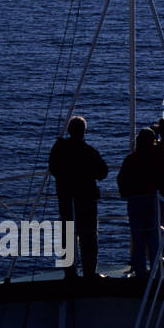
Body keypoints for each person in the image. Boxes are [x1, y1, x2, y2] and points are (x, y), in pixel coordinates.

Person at [47, 116, 108, 279]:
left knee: (67, 237)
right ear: (84, 132)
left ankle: (70, 273)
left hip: (66, 198)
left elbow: (53, 168)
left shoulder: (59, 149)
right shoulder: (89, 152)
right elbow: (103, 172)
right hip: (86, 200)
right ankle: (89, 273)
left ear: (69, 130)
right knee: (88, 237)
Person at [117, 127, 164, 278]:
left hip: (135, 201)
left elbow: (122, 179)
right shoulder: (160, 157)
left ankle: (140, 272)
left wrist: (127, 194)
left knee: (138, 238)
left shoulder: (131, 159)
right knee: (155, 238)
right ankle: (158, 272)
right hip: (153, 200)